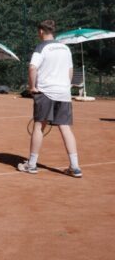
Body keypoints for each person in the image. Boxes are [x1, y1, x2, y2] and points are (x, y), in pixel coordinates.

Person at [18, 20, 82, 177]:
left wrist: (32, 87)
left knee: (39, 126)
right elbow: (70, 70)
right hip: (64, 93)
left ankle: (32, 165)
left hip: (45, 92)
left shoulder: (41, 47)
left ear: (41, 31)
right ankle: (75, 167)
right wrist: (66, 87)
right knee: (65, 128)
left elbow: (32, 68)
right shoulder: (65, 48)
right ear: (53, 31)